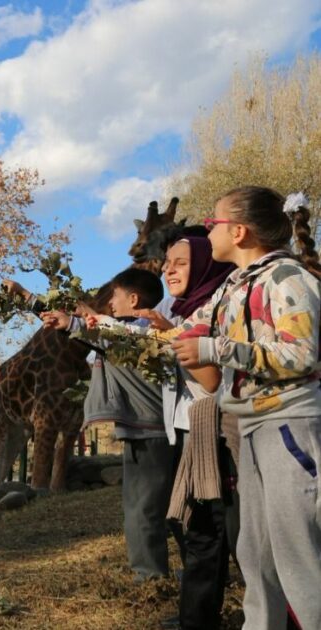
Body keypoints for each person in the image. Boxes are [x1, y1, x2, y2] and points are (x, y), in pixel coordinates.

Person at [169, 186, 321, 630]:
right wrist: (87, 323)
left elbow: (302, 354)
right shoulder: (232, 288)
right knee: (257, 554)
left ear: (238, 231)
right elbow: (181, 335)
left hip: (289, 425)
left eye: (212, 222)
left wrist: (215, 348)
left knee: (299, 554)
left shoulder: (287, 279)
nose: (208, 230)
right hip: (254, 428)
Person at [41, 268, 178, 583]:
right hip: (147, 432)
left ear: (133, 299)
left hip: (150, 432)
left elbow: (105, 333)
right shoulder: (133, 333)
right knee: (159, 507)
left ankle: (150, 577)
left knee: (143, 509)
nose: (110, 304)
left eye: (114, 297)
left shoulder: (135, 335)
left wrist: (73, 322)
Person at [139, 235, 236, 630]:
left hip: (217, 433)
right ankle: (196, 618)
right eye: (166, 264)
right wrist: (75, 322)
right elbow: (127, 335)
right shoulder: (179, 310)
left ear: (204, 265)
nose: (168, 269)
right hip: (189, 432)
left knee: (216, 533)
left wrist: (172, 335)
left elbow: (212, 381)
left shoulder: (217, 309)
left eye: (179, 262)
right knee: (196, 530)